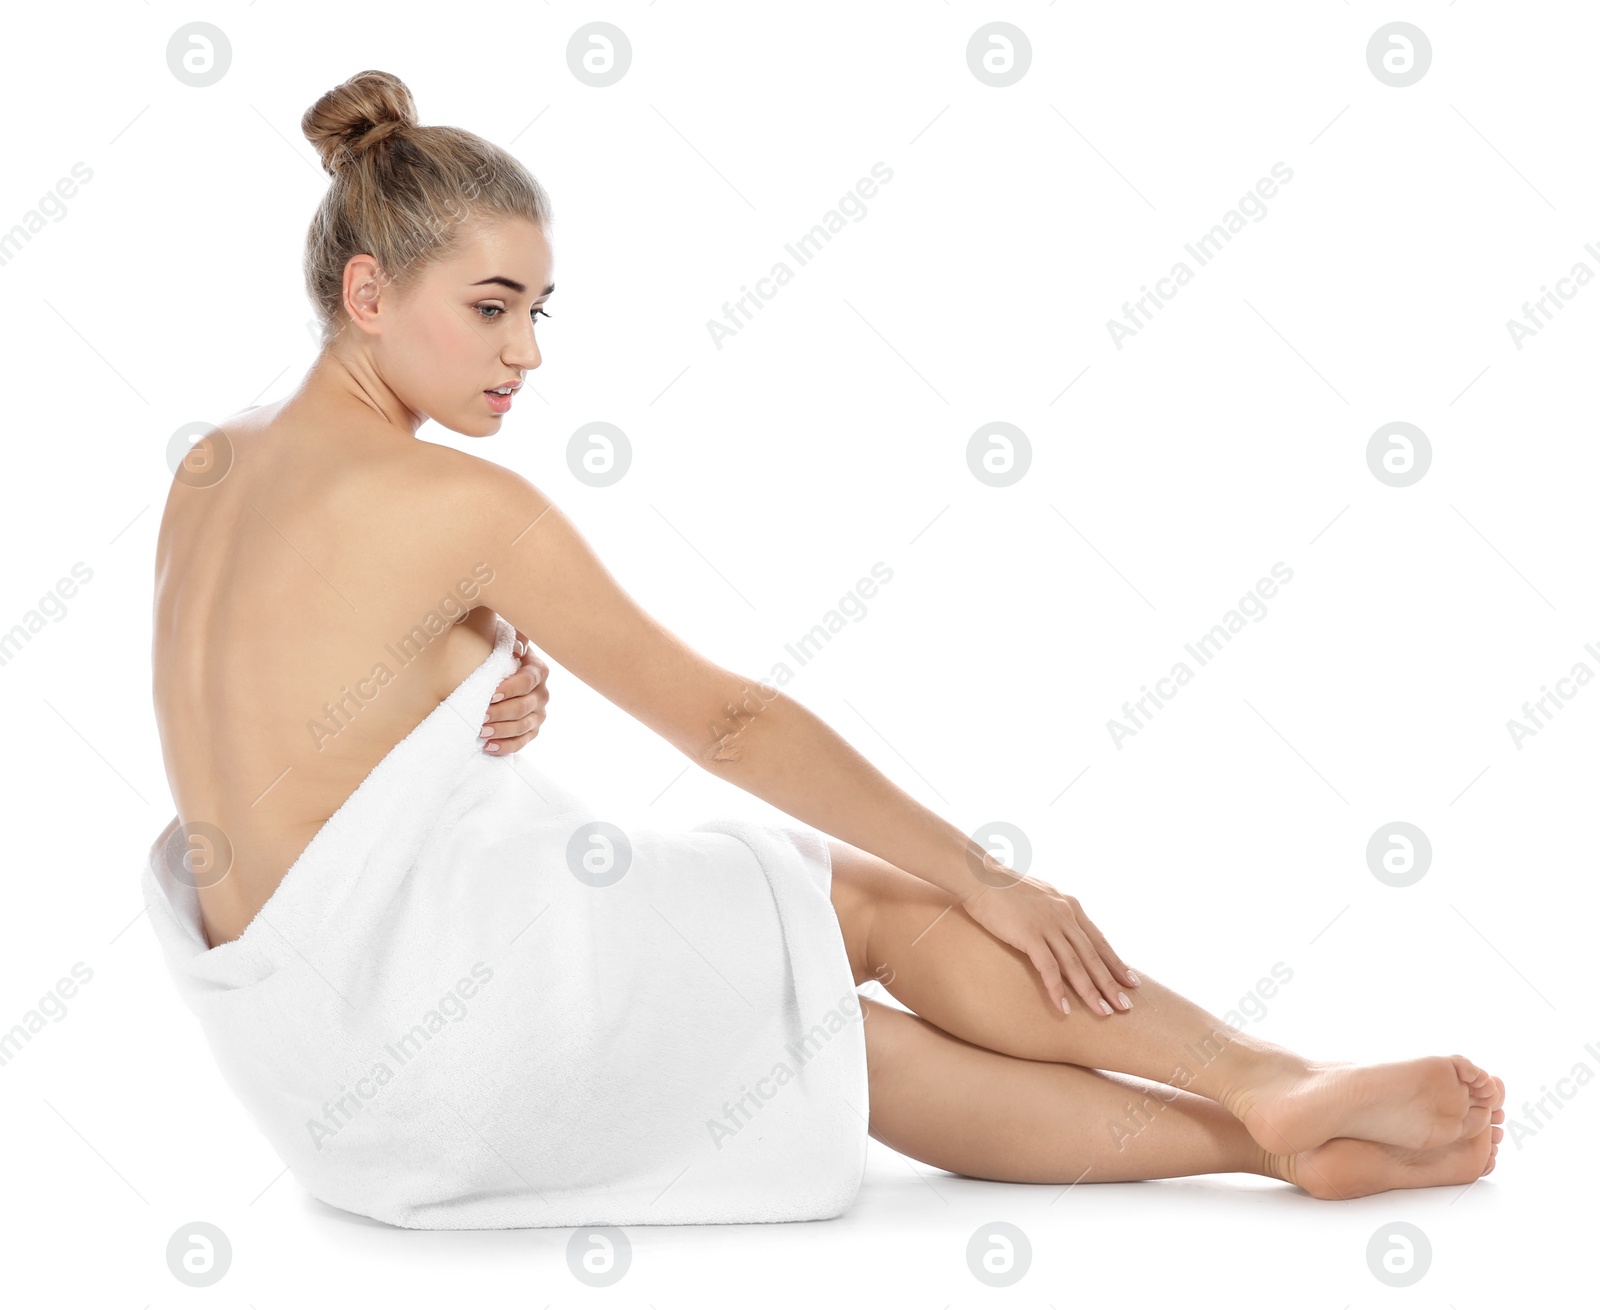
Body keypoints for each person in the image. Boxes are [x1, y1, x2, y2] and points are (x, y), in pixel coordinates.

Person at [150, 69, 1503, 1208]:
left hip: (324, 1095)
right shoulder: (463, 503)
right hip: (451, 1023)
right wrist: (987, 876)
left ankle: (1254, 1145)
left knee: (820, 1039)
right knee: (854, 902)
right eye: (492, 306)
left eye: (538, 311)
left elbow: (292, 730)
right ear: (371, 294)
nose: (528, 355)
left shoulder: (211, 465)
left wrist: (472, 679)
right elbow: (723, 723)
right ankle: (1264, 1078)